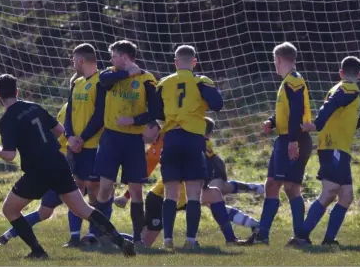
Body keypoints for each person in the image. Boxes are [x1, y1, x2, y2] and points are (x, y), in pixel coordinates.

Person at [0, 74, 135, 258]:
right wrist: (43, 144)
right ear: (17, 91)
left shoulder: (7, 119)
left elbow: (9, 155)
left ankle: (38, 251)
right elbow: (60, 130)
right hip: (58, 161)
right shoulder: (34, 107)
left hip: (38, 170)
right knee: (83, 209)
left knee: (10, 209)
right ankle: (121, 242)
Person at [115, 118, 262, 248]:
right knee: (143, 244)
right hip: (159, 198)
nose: (141, 133)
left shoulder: (195, 141)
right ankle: (111, 238)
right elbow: (143, 173)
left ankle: (231, 239)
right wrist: (127, 196)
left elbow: (213, 160)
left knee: (215, 194)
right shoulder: (164, 145)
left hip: (184, 195)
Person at [295, 56, 360, 246]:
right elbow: (330, 106)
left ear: (341, 72)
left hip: (338, 148)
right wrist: (317, 124)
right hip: (333, 146)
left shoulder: (340, 89)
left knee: (346, 196)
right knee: (330, 191)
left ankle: (329, 241)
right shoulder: (349, 88)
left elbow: (356, 122)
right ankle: (301, 236)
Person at [154, 45, 232, 250]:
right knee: (193, 193)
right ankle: (190, 240)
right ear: (194, 62)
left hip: (171, 138)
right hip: (193, 139)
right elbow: (218, 104)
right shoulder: (201, 81)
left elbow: (155, 110)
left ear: (175, 63)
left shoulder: (164, 83)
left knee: (170, 193)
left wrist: (172, 116)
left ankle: (168, 240)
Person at [240, 42, 313, 246]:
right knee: (271, 185)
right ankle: (262, 235)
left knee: (291, 187)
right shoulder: (288, 82)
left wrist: (292, 141)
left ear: (279, 59)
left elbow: (297, 111)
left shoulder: (295, 81)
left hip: (293, 139)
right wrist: (271, 122)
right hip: (284, 139)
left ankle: (301, 236)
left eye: (275, 61)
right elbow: (287, 111)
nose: (275, 65)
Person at [95, 40, 158, 247]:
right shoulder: (110, 74)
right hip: (111, 138)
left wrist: (134, 121)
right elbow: (104, 81)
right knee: (104, 188)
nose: (111, 59)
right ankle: (101, 234)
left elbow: (158, 111)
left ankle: (138, 238)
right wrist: (127, 73)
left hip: (133, 141)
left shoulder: (147, 79)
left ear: (123, 56)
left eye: (113, 56)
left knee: (136, 190)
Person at [64, 43, 107, 247]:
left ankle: (94, 235)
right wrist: (70, 136)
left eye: (73, 59)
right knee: (75, 190)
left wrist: (82, 138)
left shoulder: (101, 81)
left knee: (94, 190)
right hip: (75, 146)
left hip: (93, 146)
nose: (72, 63)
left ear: (81, 60)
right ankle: (74, 236)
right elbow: (69, 113)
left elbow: (100, 116)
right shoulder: (76, 83)